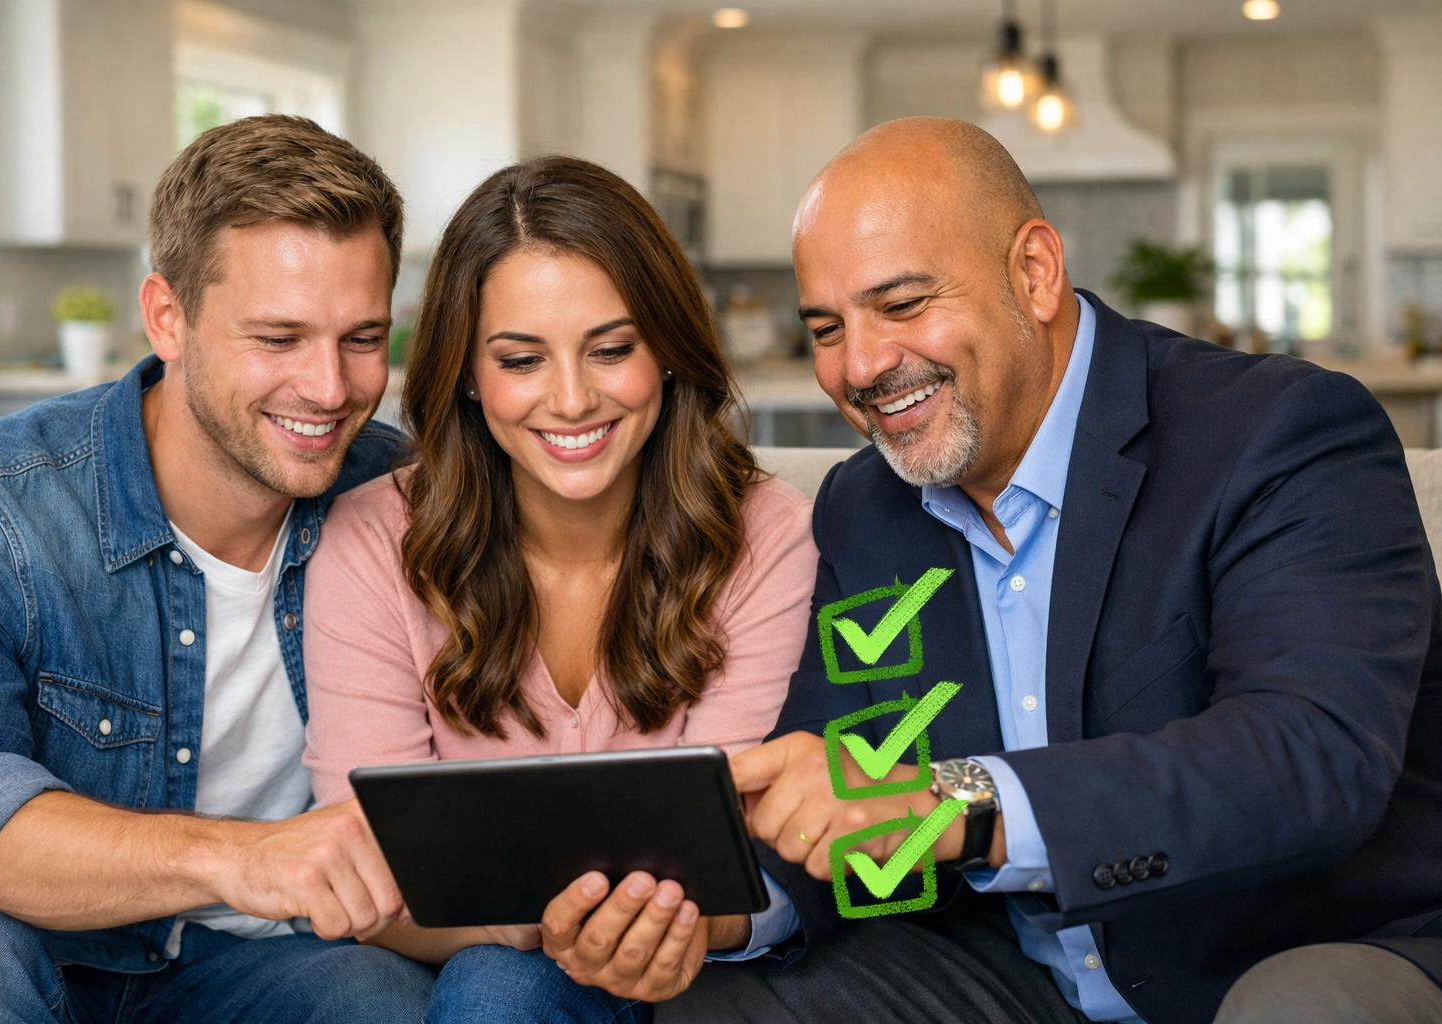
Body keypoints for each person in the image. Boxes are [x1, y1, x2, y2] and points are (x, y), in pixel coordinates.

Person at [677, 116, 1442, 1024]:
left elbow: (1309, 756)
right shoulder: (865, 508)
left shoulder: (1280, 431)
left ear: (1033, 272)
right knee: (720, 995)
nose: (862, 365)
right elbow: (847, 801)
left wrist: (959, 797)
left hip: (1290, 958)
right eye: (826, 327)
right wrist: (721, 915)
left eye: (902, 303)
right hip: (1022, 976)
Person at [0, 115, 436, 1022]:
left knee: (386, 1001)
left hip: (257, 960)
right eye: (277, 338)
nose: (330, 387)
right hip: (28, 940)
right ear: (168, 318)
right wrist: (234, 857)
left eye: (361, 338)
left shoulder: (402, 499)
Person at [299, 155, 819, 1023]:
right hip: (493, 969)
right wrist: (540, 925)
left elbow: (736, 856)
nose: (572, 400)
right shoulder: (369, 542)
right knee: (498, 989)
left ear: (667, 351)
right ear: (468, 372)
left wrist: (652, 926)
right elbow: (366, 869)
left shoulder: (766, 532)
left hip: (710, 969)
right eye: (521, 359)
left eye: (612, 350)